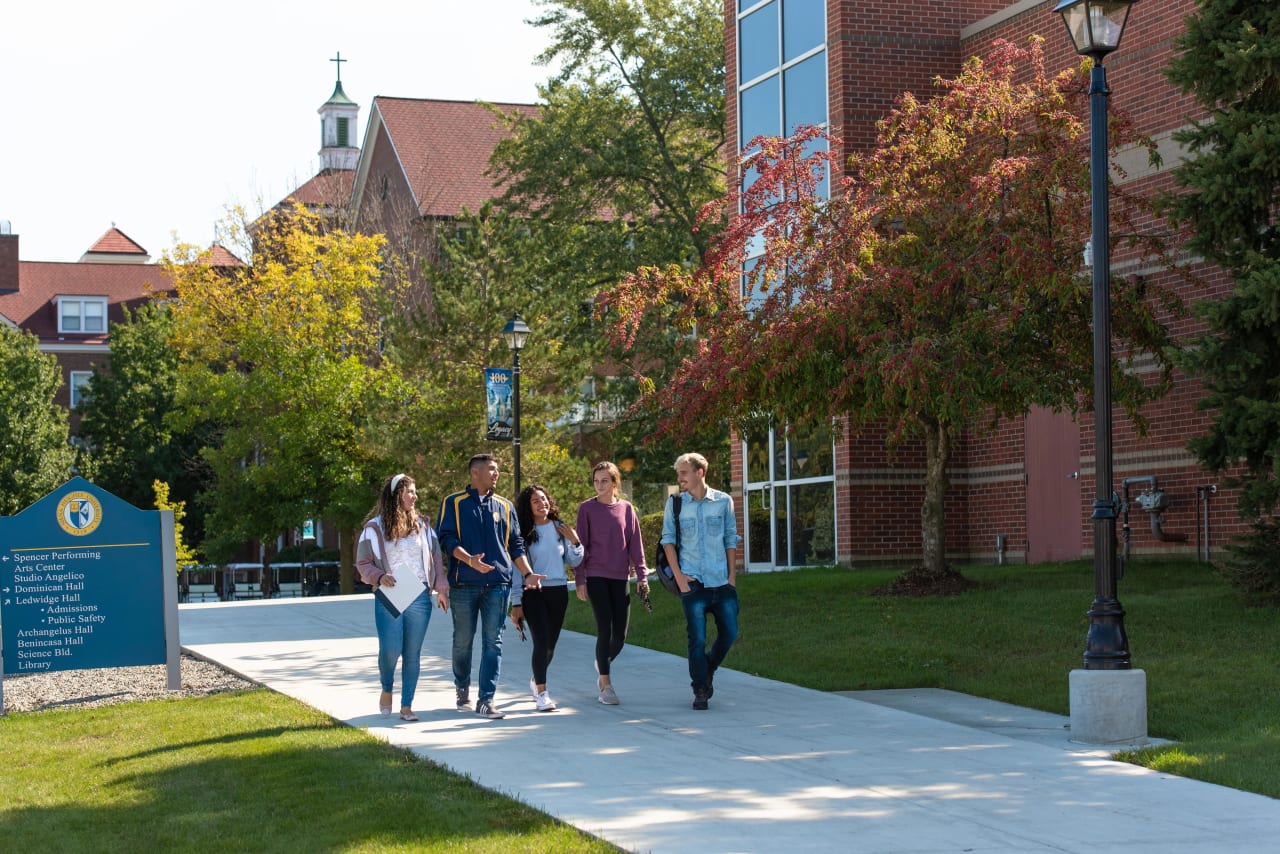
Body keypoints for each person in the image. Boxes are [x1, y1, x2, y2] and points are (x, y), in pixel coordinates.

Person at [437, 454, 544, 720]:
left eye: (497, 469)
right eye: (492, 469)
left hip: (498, 584)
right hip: (464, 583)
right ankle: (462, 685)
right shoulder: (454, 503)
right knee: (463, 641)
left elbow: (516, 544)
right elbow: (446, 539)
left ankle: (486, 700)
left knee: (493, 642)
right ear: (475, 473)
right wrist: (469, 560)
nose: (497, 473)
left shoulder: (505, 506)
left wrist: (527, 574)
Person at [355, 473, 449, 722]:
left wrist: (441, 587)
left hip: (418, 592)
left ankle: (407, 705)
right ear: (397, 495)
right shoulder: (374, 527)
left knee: (412, 652)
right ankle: (387, 686)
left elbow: (436, 559)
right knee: (391, 649)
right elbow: (363, 563)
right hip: (391, 591)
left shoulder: (424, 526)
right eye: (410, 492)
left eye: (415, 492)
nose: (415, 496)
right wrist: (378, 576)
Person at [660, 453, 741, 711]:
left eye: (684, 473)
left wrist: (731, 577)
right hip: (693, 584)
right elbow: (668, 541)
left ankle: (707, 668)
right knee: (697, 638)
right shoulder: (675, 504)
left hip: (721, 581)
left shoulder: (723, 502)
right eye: (679, 473)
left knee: (730, 632)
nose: (680, 478)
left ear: (700, 472)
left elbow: (730, 539)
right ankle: (700, 688)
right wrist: (680, 577)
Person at [575, 461, 649, 705]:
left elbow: (635, 545)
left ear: (615, 483)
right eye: (596, 481)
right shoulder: (586, 509)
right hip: (596, 575)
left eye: (604, 481)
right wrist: (580, 578)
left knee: (620, 635)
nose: (599, 485)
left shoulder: (627, 509)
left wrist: (642, 576)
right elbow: (580, 546)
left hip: (620, 577)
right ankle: (606, 685)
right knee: (604, 628)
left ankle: (602, 661)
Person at [513, 484, 584, 712]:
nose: (541, 503)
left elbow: (574, 562)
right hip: (533, 592)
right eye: (535, 501)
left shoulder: (559, 527)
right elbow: (517, 570)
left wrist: (575, 541)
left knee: (550, 647)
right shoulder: (523, 533)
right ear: (528, 507)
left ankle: (536, 679)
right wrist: (516, 602)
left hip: (558, 591)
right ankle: (542, 694)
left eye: (543, 499)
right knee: (541, 642)